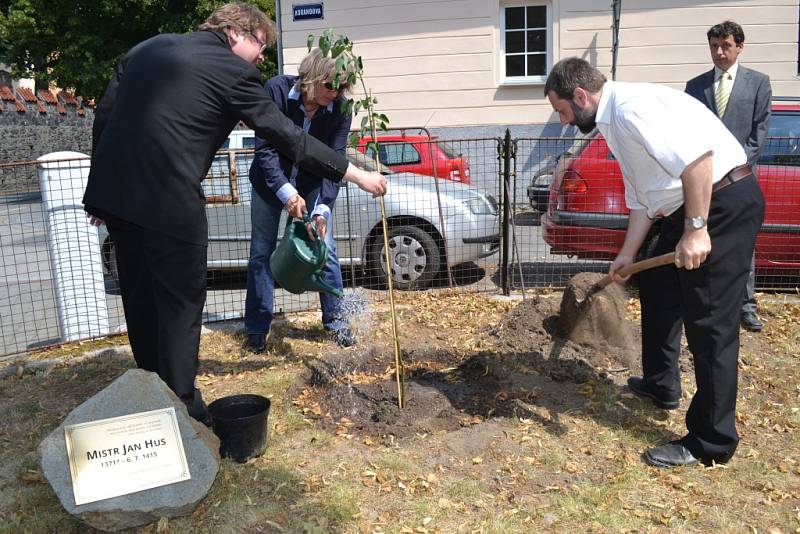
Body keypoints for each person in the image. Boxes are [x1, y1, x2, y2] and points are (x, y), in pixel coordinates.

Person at [82, 2, 387, 425]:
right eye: (260, 45)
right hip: (170, 198)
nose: (262, 58)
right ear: (234, 33)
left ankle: (151, 386)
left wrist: (101, 186)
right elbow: (285, 136)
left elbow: (107, 112)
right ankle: (184, 410)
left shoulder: (147, 50)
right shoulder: (234, 72)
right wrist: (355, 172)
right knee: (180, 305)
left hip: (118, 195)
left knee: (140, 296)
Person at [544, 58, 764, 468]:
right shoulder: (613, 120)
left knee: (710, 323)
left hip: (720, 203)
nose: (562, 120)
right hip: (683, 207)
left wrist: (697, 230)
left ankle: (711, 441)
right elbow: (644, 197)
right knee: (660, 292)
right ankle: (662, 385)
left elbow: (697, 161)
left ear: (581, 96)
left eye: (562, 111)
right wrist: (627, 255)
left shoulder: (632, 109)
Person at [245, 49, 354, 351]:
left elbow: (336, 161)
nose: (335, 93)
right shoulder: (276, 91)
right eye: (330, 85)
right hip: (270, 184)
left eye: (341, 87)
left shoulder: (342, 109)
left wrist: (322, 209)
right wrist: (286, 192)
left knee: (326, 250)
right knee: (261, 253)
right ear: (312, 77)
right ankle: (256, 328)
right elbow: (264, 149)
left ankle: (337, 323)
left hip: (311, 185)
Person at [685, 20, 772, 333]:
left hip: (739, 179)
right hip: (705, 180)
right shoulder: (696, 87)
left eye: (726, 46)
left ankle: (746, 307)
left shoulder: (759, 83)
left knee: (742, 245)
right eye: (714, 47)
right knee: (702, 236)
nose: (719, 52)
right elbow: (691, 132)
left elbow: (758, 132)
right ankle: (706, 300)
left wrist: (735, 167)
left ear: (740, 46)